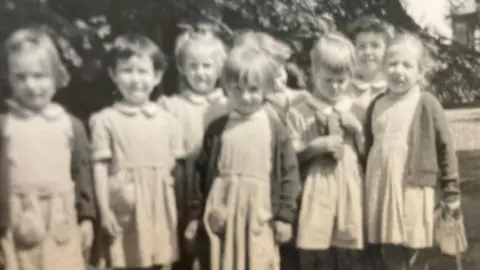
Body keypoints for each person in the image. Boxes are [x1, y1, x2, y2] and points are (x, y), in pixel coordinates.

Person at [186, 46, 301, 270]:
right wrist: (195, 215)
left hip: (259, 213)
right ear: (227, 87)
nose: (245, 96)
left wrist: (285, 216)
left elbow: (289, 173)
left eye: (253, 89)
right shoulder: (217, 129)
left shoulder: (275, 129)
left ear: (266, 89)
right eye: (237, 89)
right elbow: (199, 175)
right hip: (223, 211)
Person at [0, 25, 96, 270]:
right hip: (17, 222)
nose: (31, 86)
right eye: (20, 77)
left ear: (56, 76)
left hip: (60, 222)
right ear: (8, 78)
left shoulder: (70, 125)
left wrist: (86, 217)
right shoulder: (6, 124)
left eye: (39, 76)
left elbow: (82, 173)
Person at [363, 32, 461, 270]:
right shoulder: (376, 105)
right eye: (392, 64)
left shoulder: (426, 103)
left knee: (415, 249)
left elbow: (445, 148)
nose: (399, 71)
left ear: (420, 72)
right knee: (389, 248)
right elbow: (368, 148)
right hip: (381, 188)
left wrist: (451, 191)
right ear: (383, 68)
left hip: (413, 190)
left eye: (407, 65)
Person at [90, 33, 184, 270]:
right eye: (127, 71)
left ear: (157, 76)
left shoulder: (168, 121)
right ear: (113, 74)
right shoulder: (104, 120)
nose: (135, 79)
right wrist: (104, 211)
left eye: (142, 71)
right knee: (123, 259)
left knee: (160, 259)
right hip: (125, 205)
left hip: (159, 207)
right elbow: (99, 168)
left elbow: (175, 170)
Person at [287, 32, 365, 270]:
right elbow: (289, 157)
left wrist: (359, 131)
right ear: (314, 72)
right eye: (328, 80)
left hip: (349, 192)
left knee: (349, 252)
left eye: (341, 81)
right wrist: (313, 148)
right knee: (315, 252)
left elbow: (368, 156)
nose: (334, 87)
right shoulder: (300, 111)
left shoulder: (357, 110)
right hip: (315, 194)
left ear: (351, 77)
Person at [157, 29, 229, 270]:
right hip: (182, 181)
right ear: (182, 68)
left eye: (207, 66)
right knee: (182, 243)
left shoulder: (227, 106)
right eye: (194, 66)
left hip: (214, 180)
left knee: (214, 244)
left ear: (219, 69)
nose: (200, 73)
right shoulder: (171, 105)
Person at [347, 15, 393, 122]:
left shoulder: (394, 89)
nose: (367, 52)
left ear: (387, 51)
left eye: (375, 46)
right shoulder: (345, 89)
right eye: (362, 46)